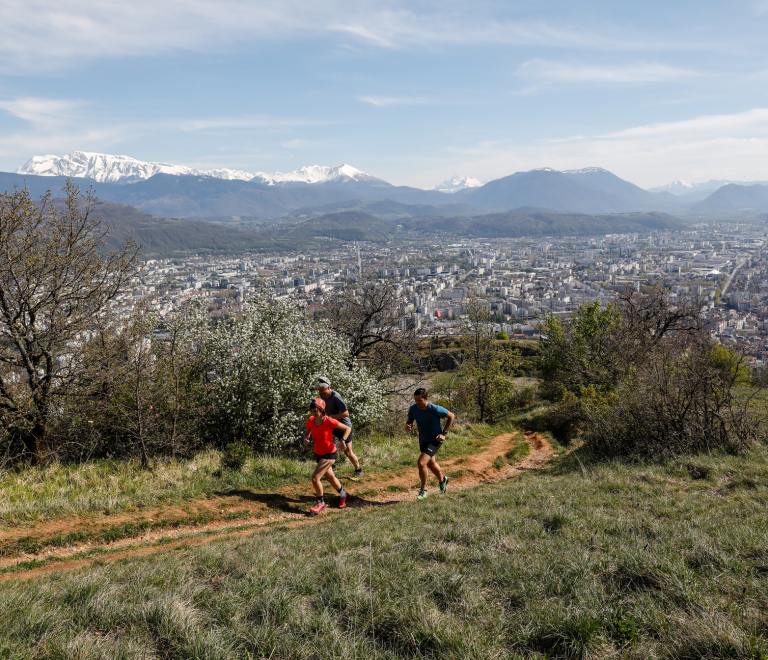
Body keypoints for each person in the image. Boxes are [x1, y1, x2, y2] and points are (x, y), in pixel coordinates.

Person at [405, 387, 455, 501]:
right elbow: (410, 420)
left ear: (426, 399)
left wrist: (444, 433)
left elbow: (451, 416)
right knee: (431, 464)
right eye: (415, 400)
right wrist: (408, 426)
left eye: (419, 400)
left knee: (421, 462)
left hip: (435, 440)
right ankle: (443, 480)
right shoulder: (413, 409)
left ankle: (423, 490)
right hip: (423, 440)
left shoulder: (435, 409)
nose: (417, 402)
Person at [303, 398, 351, 514]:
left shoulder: (328, 421)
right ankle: (343, 495)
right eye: (312, 411)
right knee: (330, 477)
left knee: (315, 478)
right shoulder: (311, 420)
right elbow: (307, 432)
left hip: (330, 454)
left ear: (322, 410)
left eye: (315, 411)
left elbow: (347, 428)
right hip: (319, 453)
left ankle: (321, 503)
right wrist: (306, 438)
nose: (313, 413)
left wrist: (343, 440)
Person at [316, 376, 363, 481]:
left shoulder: (336, 396)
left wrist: (330, 417)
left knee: (347, 452)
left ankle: (358, 470)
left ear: (328, 387)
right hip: (333, 426)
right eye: (319, 391)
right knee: (326, 442)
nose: (320, 393)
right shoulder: (322, 394)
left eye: (322, 390)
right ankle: (332, 467)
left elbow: (346, 413)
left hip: (344, 427)